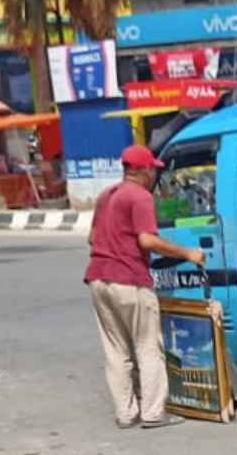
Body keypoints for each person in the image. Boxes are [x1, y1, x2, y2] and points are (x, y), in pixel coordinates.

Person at [85, 145, 204, 429]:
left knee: (116, 351)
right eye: (152, 169)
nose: (153, 174)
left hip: (98, 278)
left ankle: (125, 414)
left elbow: (92, 237)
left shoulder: (106, 195)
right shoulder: (139, 197)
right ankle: (152, 413)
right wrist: (188, 254)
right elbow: (147, 241)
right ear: (142, 171)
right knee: (148, 347)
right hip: (129, 280)